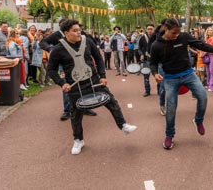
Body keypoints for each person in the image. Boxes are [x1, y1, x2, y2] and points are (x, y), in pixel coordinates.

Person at [47, 19, 137, 155]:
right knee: (76, 114)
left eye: (79, 30)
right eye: (75, 31)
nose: (78, 33)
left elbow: (99, 58)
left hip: (94, 80)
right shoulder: (58, 49)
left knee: (111, 102)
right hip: (75, 86)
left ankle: (123, 125)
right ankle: (78, 140)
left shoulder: (87, 41)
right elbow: (51, 70)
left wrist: (102, 75)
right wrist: (62, 83)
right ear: (66, 33)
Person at [149, 18, 213, 150]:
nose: (176, 35)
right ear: (166, 29)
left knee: (203, 97)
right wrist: (154, 74)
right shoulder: (156, 45)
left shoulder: (183, 37)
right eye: (174, 33)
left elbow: (201, 45)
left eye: (178, 33)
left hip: (188, 74)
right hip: (170, 78)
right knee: (171, 108)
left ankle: (198, 120)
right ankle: (169, 135)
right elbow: (152, 63)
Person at [39, 19, 97, 118]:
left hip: (80, 63)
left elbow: (91, 41)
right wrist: (50, 49)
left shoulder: (78, 32)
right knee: (67, 85)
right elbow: (42, 42)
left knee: (84, 83)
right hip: (64, 65)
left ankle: (86, 107)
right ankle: (67, 110)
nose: (76, 31)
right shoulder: (56, 35)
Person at [138, 24, 154, 97]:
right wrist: (141, 54)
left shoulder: (157, 37)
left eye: (151, 29)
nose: (150, 30)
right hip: (146, 60)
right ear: (146, 29)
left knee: (159, 76)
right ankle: (147, 91)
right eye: (148, 29)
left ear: (153, 29)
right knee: (146, 76)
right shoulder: (142, 38)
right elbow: (139, 48)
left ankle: (160, 90)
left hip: (155, 61)